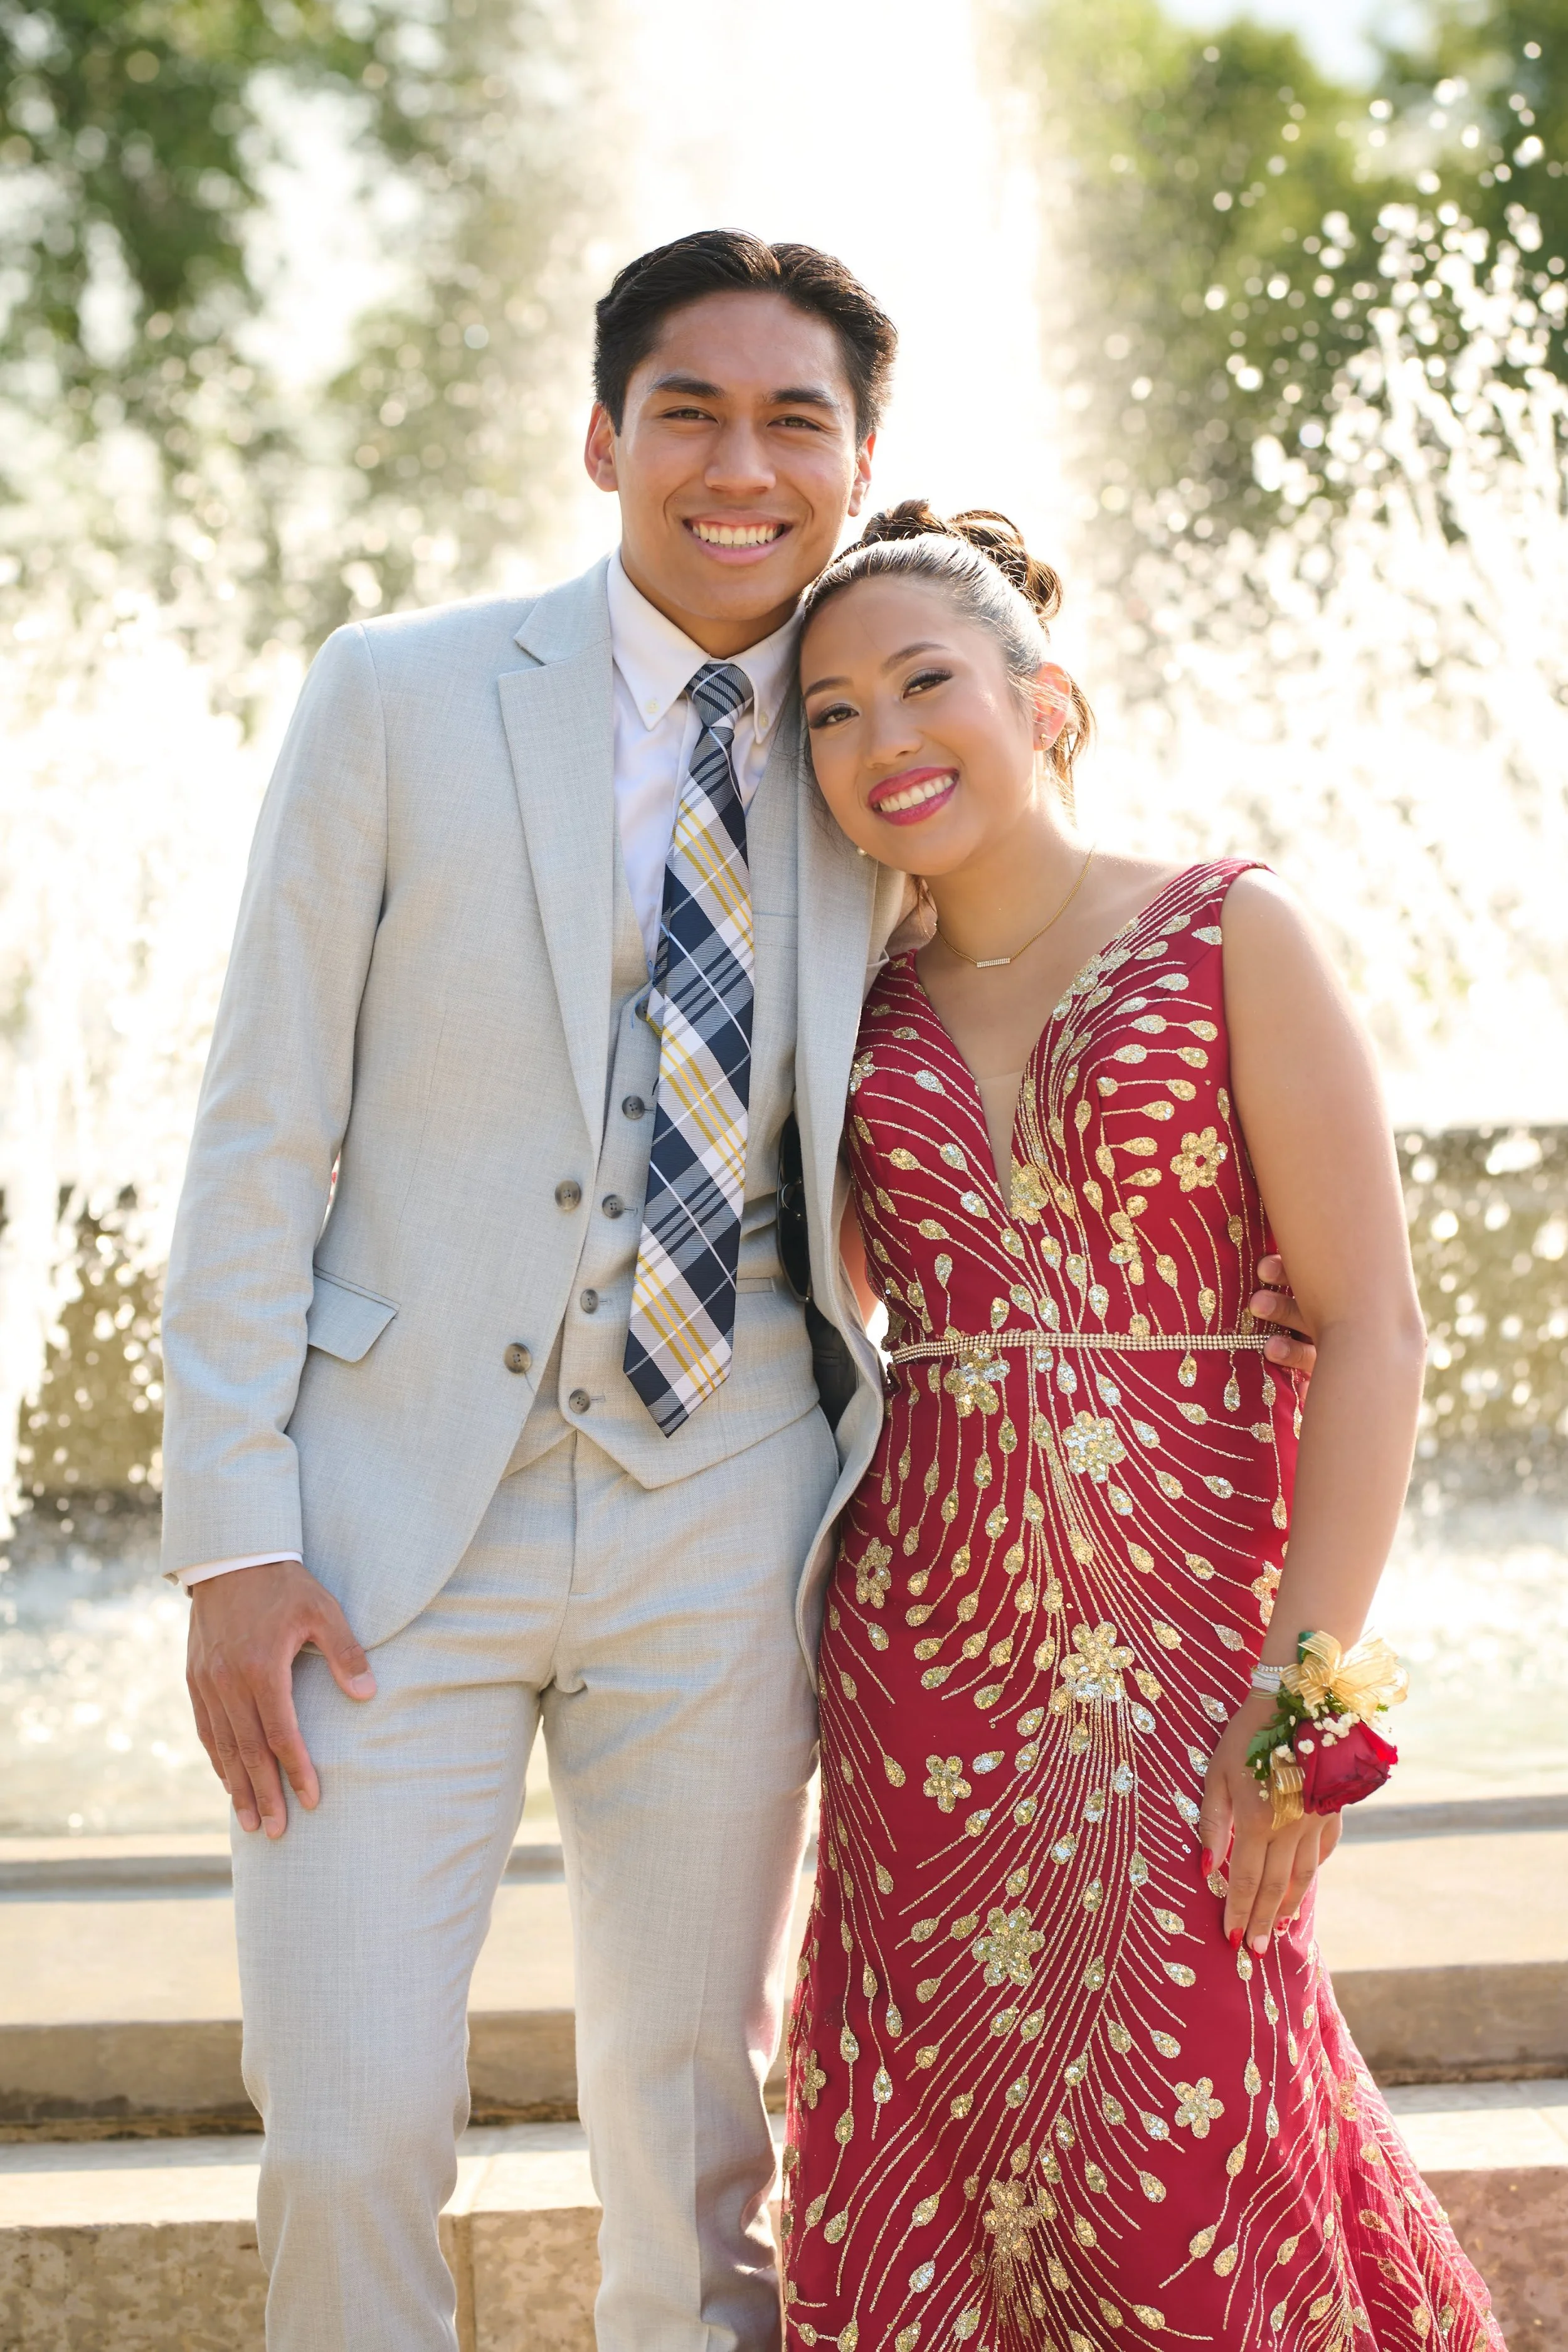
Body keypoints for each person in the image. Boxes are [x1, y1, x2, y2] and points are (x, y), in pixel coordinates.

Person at [161, 227, 1316, 2352]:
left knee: (694, 2151)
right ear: (605, 434)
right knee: (342, 2126)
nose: (737, 461)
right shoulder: (399, 695)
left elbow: (1026, 955)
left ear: (858, 456)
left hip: (734, 1511)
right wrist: (231, 1529)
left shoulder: (870, 734)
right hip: (375, 1520)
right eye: (687, 407)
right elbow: (256, 1136)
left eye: (797, 419)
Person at [781, 504, 1503, 2350]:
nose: (881, 741)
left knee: (1195, 2127)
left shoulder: (1232, 927)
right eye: (831, 712)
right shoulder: (848, 1017)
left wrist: (1304, 1700)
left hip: (1190, 1646)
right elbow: (809, 1324)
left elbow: (1372, 1326)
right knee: (940, 2145)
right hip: (924, 1665)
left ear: (1052, 701)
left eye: (923, 683)